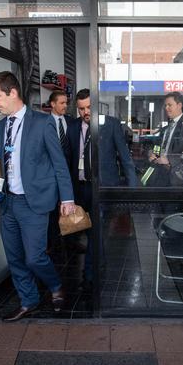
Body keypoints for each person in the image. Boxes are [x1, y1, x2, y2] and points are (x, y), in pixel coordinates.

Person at [0, 71, 75, 321]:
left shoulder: (42, 122)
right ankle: (29, 300)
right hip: (8, 202)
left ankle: (55, 286)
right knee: (14, 257)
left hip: (34, 201)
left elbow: (59, 163)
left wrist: (67, 199)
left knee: (34, 257)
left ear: (12, 92)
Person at [67, 88, 138, 289]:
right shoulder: (72, 127)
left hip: (103, 188)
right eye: (81, 109)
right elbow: (67, 160)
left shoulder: (111, 124)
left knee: (96, 231)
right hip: (80, 189)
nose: (85, 112)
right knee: (90, 233)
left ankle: (89, 276)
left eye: (89, 107)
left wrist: (132, 190)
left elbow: (125, 157)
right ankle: (100, 262)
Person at [146, 92, 183, 187]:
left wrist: (169, 159)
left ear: (179, 105)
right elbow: (159, 145)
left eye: (169, 105)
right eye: (165, 105)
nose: (166, 108)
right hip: (161, 174)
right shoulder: (166, 127)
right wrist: (153, 153)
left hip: (179, 177)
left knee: (173, 202)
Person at [46, 90, 77, 254]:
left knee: (70, 208)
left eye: (66, 103)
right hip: (50, 175)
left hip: (70, 174)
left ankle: (72, 242)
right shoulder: (44, 122)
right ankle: (52, 244)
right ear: (53, 104)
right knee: (52, 210)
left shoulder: (71, 122)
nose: (66, 106)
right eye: (62, 103)